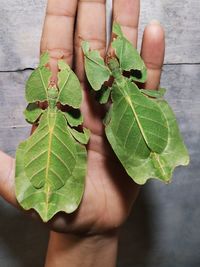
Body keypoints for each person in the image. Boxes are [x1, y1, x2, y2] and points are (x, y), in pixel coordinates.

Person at [0, 0, 165, 266]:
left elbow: (31, 114)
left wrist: (56, 62)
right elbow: (81, 132)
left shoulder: (41, 113)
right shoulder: (75, 114)